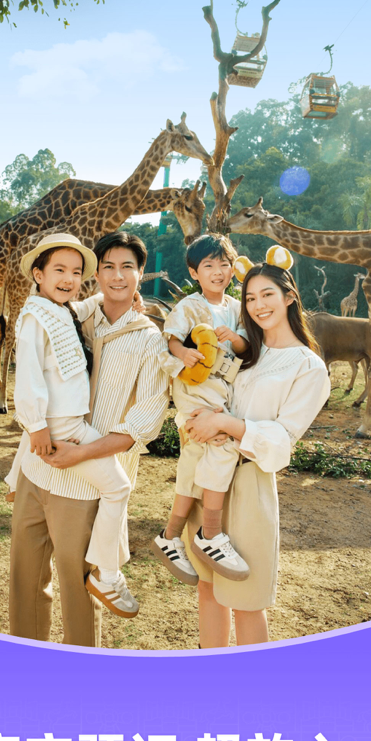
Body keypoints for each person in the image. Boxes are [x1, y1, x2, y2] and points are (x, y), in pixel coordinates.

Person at [9, 230, 169, 647]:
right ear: (96, 275)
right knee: (24, 582)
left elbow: (144, 422)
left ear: (141, 274)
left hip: (82, 481)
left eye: (128, 268)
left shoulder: (150, 340)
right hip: (37, 464)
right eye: (108, 267)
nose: (117, 277)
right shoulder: (75, 314)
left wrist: (81, 453)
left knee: (78, 592)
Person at [182, 245, 331, 649]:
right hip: (212, 479)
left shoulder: (308, 366)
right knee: (209, 590)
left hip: (250, 486)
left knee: (246, 600)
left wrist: (225, 423)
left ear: (289, 297)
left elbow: (282, 443)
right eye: (250, 297)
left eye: (267, 294)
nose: (258, 304)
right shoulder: (249, 354)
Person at [152, 233, 250, 584]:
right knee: (222, 445)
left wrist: (235, 338)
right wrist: (183, 353)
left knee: (193, 463)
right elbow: (172, 337)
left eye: (224, 264)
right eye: (209, 265)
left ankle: (169, 536)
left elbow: (245, 345)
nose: (218, 271)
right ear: (195, 272)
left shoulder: (237, 308)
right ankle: (210, 533)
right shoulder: (189, 306)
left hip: (219, 393)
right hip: (196, 391)